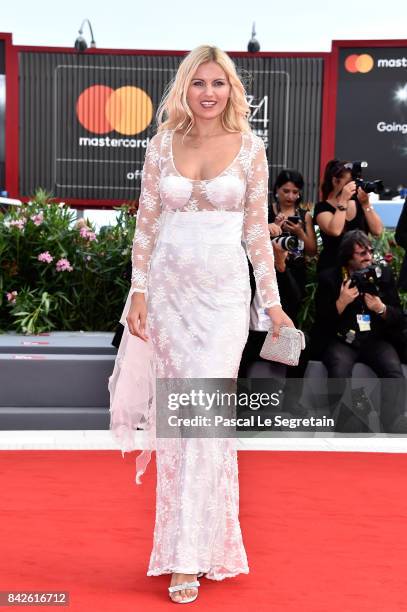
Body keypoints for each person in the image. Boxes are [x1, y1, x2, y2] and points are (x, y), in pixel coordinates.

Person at [108, 45, 293, 604]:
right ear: (184, 90)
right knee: (179, 426)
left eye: (218, 83)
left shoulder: (251, 149)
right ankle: (185, 547)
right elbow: (145, 226)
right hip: (167, 296)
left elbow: (257, 235)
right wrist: (138, 292)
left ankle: (190, 556)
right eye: (198, 83)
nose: (208, 92)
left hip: (221, 300)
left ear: (231, 90)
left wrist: (274, 304)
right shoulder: (162, 145)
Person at [313, 229, 407, 433]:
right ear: (348, 257)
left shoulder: (382, 275)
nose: (369, 257)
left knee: (393, 369)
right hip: (342, 339)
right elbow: (321, 320)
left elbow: (399, 316)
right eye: (362, 253)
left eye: (370, 252)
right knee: (338, 368)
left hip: (374, 339)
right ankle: (344, 419)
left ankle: (393, 420)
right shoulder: (330, 278)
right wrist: (341, 302)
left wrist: (381, 308)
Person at [314, 160, 383, 273]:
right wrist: (343, 200)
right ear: (335, 181)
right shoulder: (322, 208)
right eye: (350, 182)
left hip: (361, 267)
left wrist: (366, 204)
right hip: (333, 270)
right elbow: (335, 230)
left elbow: (378, 230)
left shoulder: (359, 203)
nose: (355, 185)